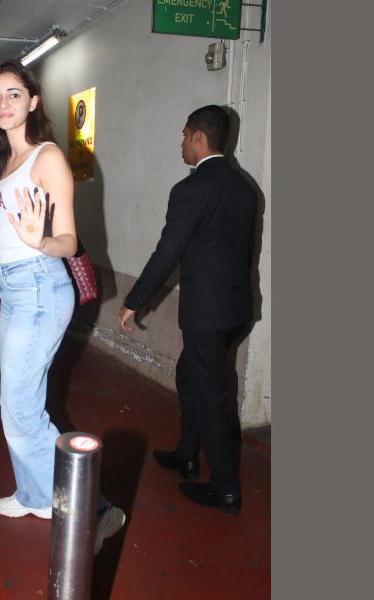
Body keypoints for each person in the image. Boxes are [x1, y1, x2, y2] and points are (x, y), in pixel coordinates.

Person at [0, 59, 125, 553]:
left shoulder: (47, 157)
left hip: (39, 285)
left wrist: (40, 241)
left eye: (14, 93)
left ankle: (98, 509)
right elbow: (16, 231)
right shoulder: (4, 162)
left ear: (33, 101)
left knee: (21, 408)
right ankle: (35, 495)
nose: (4, 103)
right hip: (13, 286)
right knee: (14, 403)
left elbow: (68, 240)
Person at [118, 105, 256, 514]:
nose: (181, 144)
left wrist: (133, 300)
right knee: (189, 374)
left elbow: (167, 254)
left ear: (198, 137)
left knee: (210, 395)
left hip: (208, 314)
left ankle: (225, 490)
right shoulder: (245, 188)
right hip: (237, 309)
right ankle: (186, 454)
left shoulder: (191, 189)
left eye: (183, 135)